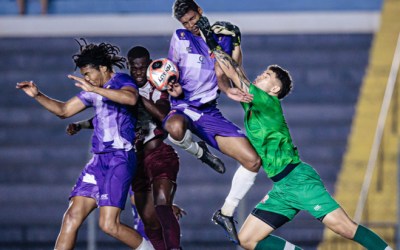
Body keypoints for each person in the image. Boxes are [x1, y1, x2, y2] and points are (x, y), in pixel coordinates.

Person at [197, 15, 394, 250]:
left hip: (298, 180)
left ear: (275, 89)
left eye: (267, 76)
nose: (261, 75)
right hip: (282, 187)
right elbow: (236, 70)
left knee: (345, 228)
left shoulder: (267, 102)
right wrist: (237, 44)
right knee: (248, 239)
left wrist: (210, 39)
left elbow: (234, 73)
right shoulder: (253, 100)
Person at [16, 39, 154, 250]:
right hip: (99, 160)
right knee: (71, 216)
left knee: (109, 225)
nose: (86, 79)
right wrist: (38, 96)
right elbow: (63, 111)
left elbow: (130, 99)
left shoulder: (121, 80)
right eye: (84, 75)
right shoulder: (93, 88)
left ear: (103, 68)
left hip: (120, 158)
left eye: (88, 73)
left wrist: (94, 90)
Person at [67, 45, 186, 250]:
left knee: (156, 209)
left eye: (142, 68)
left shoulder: (155, 89)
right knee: (146, 218)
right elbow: (104, 119)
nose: (139, 72)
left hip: (153, 153)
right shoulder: (122, 90)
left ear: (149, 67)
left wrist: (139, 98)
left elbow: (162, 115)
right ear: (129, 67)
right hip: (133, 157)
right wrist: (81, 124)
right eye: (134, 68)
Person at [163, 0, 262, 244]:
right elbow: (170, 71)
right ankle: (201, 152)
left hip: (208, 113)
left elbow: (223, 71)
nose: (190, 25)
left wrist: (228, 90)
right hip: (183, 107)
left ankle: (225, 212)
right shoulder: (180, 37)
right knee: (173, 128)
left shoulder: (222, 35)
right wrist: (172, 88)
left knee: (253, 160)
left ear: (200, 11)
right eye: (185, 22)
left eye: (192, 19)